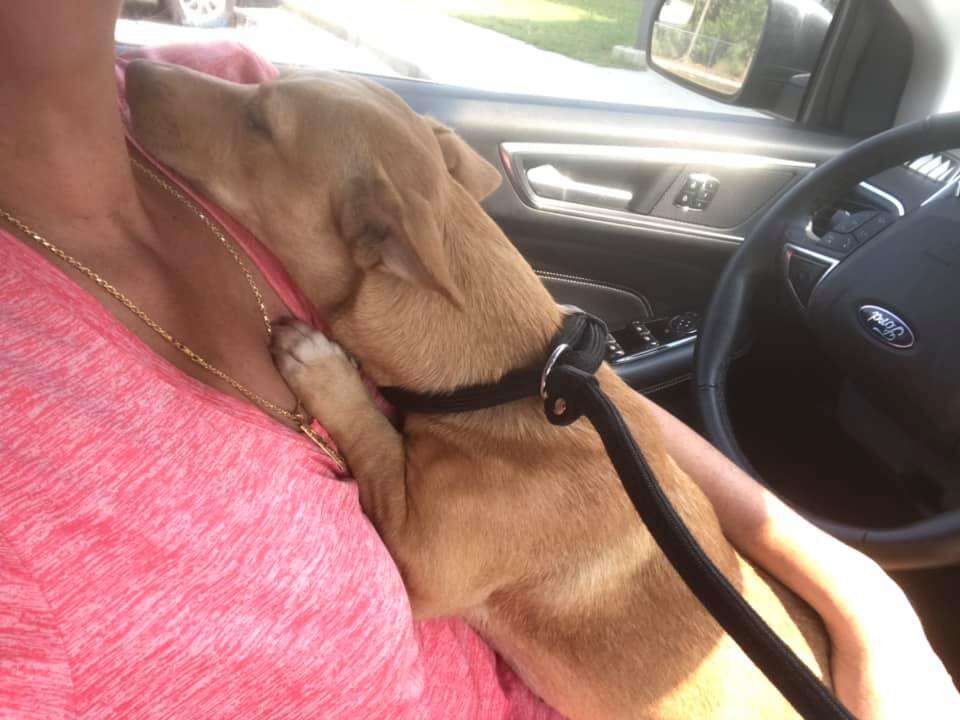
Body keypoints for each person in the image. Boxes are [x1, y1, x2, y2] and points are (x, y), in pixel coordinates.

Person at [0, 2, 955, 718]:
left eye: (258, 116)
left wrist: (860, 592)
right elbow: (434, 556)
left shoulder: (252, 92)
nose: (229, 103)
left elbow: (555, 381)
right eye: (258, 118)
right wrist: (361, 418)